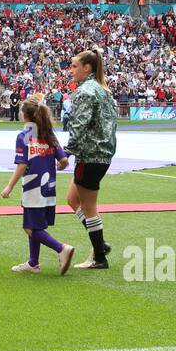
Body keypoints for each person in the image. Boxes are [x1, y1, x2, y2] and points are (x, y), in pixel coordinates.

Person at [2, 97, 75, 275]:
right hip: (49, 188)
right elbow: (64, 160)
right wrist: (59, 165)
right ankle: (33, 263)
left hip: (33, 188)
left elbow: (22, 164)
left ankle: (61, 248)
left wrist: (9, 187)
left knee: (29, 227)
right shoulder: (49, 134)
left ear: (25, 115)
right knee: (36, 226)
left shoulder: (24, 136)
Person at [63, 48, 117, 269]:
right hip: (102, 154)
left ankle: (99, 256)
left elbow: (79, 124)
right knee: (72, 199)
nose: (72, 70)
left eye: (75, 66)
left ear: (87, 68)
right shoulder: (104, 90)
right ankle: (100, 244)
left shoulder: (86, 91)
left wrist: (67, 152)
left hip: (90, 155)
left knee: (89, 206)